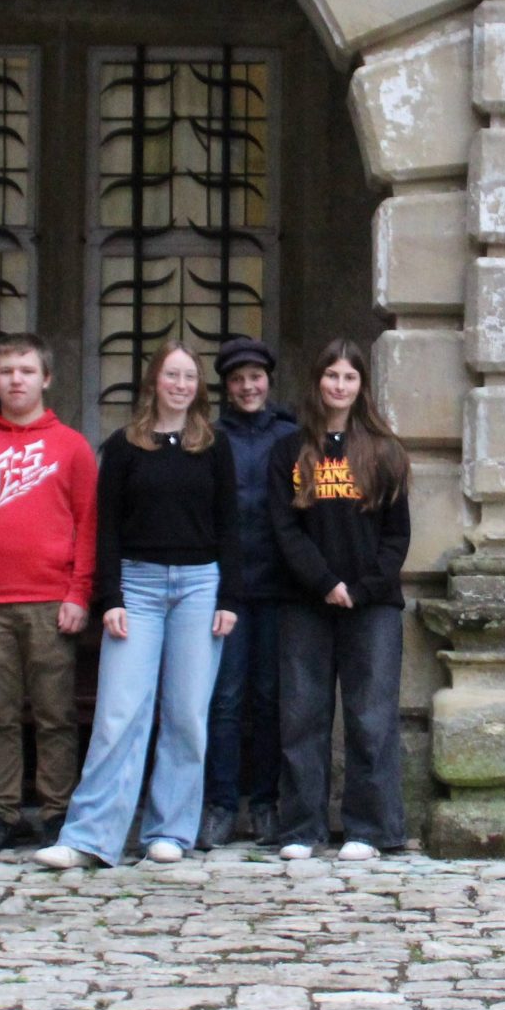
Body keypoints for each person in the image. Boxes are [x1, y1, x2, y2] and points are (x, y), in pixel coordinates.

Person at [37, 345, 237, 870]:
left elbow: (232, 527)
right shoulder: (123, 447)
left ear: (200, 386)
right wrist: (111, 599)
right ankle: (89, 836)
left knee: (187, 714)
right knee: (119, 714)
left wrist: (229, 598)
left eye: (189, 375)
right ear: (154, 381)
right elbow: (105, 528)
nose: (180, 383)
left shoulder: (214, 447)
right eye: (171, 374)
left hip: (200, 587)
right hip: (138, 587)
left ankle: (170, 830)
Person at [0, 332, 96, 858]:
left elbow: (88, 525)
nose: (15, 380)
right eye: (6, 371)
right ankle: (0, 811)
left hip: (52, 600)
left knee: (55, 714)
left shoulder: (71, 447)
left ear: (45, 378)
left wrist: (79, 592)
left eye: (26, 371)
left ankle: (57, 812)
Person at [268, 339, 414, 863]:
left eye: (349, 378)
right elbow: (285, 528)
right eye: (331, 376)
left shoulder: (385, 450)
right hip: (305, 602)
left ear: (361, 387)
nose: (339, 386)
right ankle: (301, 828)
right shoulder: (289, 450)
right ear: (317, 382)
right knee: (303, 716)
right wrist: (324, 581)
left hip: (372, 606)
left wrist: (363, 587)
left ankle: (371, 830)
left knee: (370, 717)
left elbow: (397, 536)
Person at [205, 337, 296, 850]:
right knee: (225, 699)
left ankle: (264, 804)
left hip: (278, 587)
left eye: (255, 377)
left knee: (269, 700)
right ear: (227, 385)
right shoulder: (212, 436)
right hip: (224, 589)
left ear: (268, 380)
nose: (247, 386)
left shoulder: (291, 434)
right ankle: (220, 803)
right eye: (238, 379)